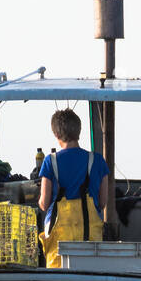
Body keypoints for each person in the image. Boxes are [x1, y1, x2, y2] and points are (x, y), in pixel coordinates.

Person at [38, 109, 110, 268]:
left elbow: (44, 203)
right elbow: (103, 202)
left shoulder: (50, 161)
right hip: (90, 237)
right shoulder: (97, 160)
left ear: (56, 134)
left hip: (59, 239)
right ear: (79, 131)